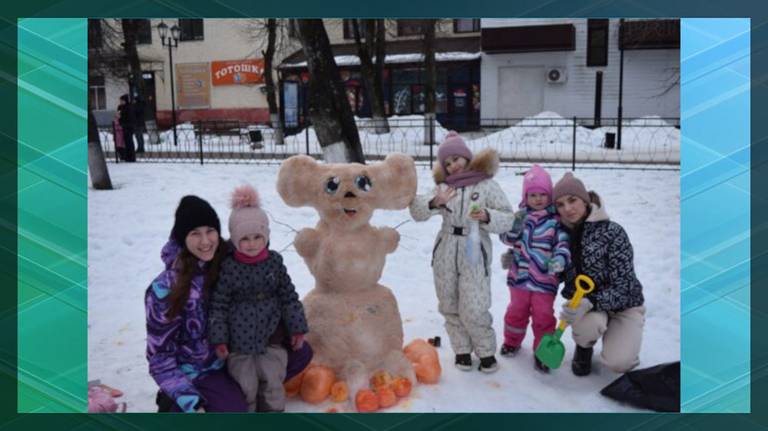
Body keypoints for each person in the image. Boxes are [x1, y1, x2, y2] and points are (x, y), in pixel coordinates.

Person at [146, 195, 313, 413]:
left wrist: (287, 326)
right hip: (198, 370)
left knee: (300, 353)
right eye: (195, 234)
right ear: (182, 238)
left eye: (210, 231)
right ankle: (178, 401)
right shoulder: (164, 289)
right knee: (235, 409)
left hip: (235, 351)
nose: (205, 241)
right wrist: (187, 398)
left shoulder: (230, 257)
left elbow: (261, 254)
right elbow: (160, 358)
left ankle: (252, 390)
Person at [409, 131, 515, 374]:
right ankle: (462, 351)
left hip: (474, 249)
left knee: (474, 303)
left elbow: (508, 218)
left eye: (456, 159)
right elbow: (416, 211)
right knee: (449, 302)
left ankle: (486, 351)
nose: (453, 166)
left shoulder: (486, 184)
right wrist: (435, 202)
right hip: (446, 248)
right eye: (447, 163)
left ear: (467, 158)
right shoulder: (444, 187)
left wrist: (488, 216)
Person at [208, 185, 309, 412]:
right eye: (244, 238)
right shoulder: (228, 267)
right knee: (246, 386)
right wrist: (220, 339)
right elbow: (219, 305)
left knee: (273, 383)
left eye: (257, 237)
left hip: (271, 338)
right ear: (234, 239)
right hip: (239, 343)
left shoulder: (274, 262)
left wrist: (297, 328)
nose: (251, 243)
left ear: (266, 236)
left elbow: (289, 297)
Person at [552, 172, 645, 376]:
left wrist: (590, 301)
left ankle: (619, 339)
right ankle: (584, 347)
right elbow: (554, 275)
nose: (567, 209)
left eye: (572, 200)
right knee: (588, 325)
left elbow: (626, 286)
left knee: (619, 363)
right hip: (589, 310)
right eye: (560, 204)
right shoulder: (560, 237)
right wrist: (520, 260)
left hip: (624, 306)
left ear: (585, 200)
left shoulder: (613, 232)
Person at [498, 165, 570, 373]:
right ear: (525, 197)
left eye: (543, 195)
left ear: (550, 196)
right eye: (533, 195)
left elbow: (562, 244)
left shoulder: (555, 222)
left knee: (543, 317)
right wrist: (514, 226)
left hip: (544, 280)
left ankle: (542, 351)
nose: (538, 199)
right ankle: (512, 340)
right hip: (519, 278)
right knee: (516, 312)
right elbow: (507, 239)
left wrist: (559, 260)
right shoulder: (521, 218)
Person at [117, 95, 136, 162]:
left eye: (122, 100)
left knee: (129, 142)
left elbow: (130, 117)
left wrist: (121, 118)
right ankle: (127, 156)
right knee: (125, 143)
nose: (121, 102)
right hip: (123, 126)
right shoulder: (120, 107)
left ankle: (131, 157)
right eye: (120, 101)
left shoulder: (129, 107)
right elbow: (118, 115)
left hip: (128, 126)